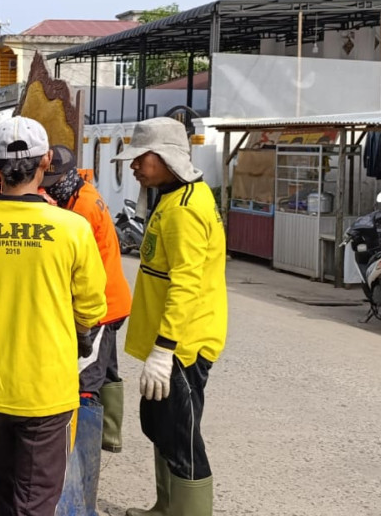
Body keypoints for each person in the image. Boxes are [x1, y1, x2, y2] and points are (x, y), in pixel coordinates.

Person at [0, 117, 108, 516]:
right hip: (47, 390)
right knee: (37, 503)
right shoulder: (73, 227)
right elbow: (93, 305)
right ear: (46, 161)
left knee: (4, 497)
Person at [112, 117, 227, 516]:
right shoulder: (173, 197)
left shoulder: (184, 211)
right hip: (167, 340)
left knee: (182, 437)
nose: (133, 167)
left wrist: (164, 350)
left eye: (140, 159)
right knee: (159, 426)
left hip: (182, 345)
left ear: (165, 158)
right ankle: (166, 507)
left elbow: (186, 284)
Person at [41, 144, 133, 453]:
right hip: (111, 300)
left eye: (54, 179)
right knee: (106, 368)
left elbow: (72, 262)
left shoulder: (83, 207)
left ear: (68, 176)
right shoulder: (80, 194)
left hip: (101, 305)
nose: (49, 185)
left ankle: (81, 447)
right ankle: (110, 435)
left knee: (86, 377)